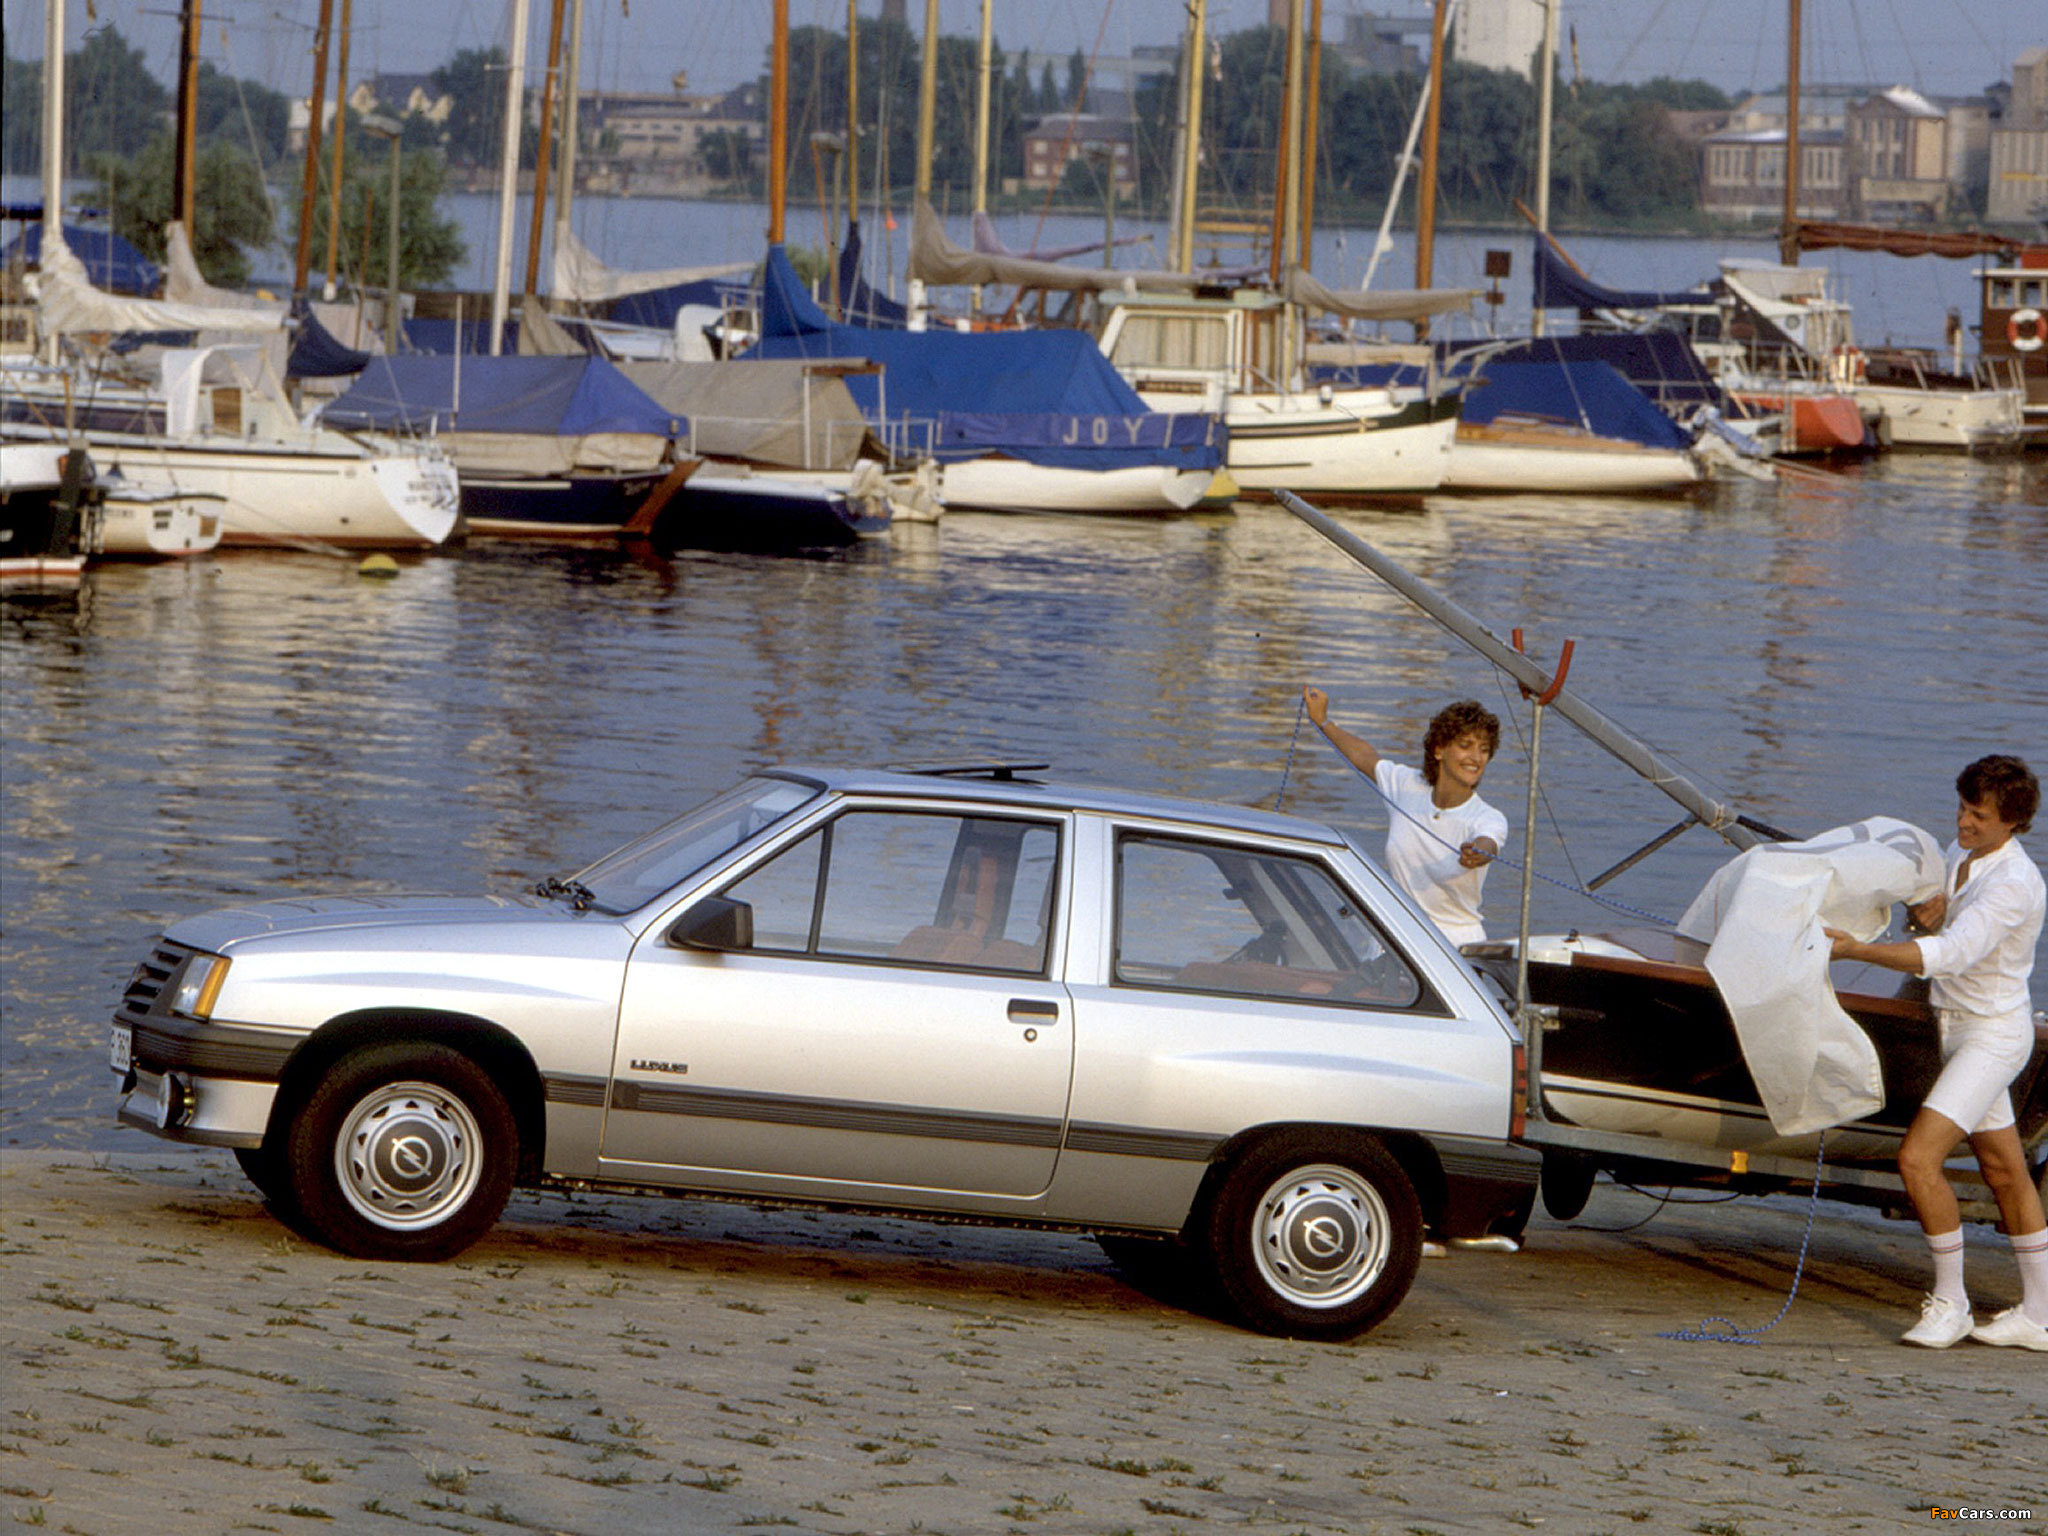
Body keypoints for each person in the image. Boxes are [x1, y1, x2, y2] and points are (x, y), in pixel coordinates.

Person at [1826, 754, 2048, 1351]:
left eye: (1979, 816)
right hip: (1956, 1030)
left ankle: (1951, 1305)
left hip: (1994, 1036)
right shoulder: (1960, 855)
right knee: (2004, 1170)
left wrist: (1854, 950)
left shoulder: (2016, 885)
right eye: (1963, 808)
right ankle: (2041, 1315)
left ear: (2013, 823)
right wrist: (1931, 911)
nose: (1964, 822)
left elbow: (1950, 956)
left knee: (1918, 1160)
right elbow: (1943, 927)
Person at [1303, 687, 1507, 947]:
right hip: (1398, 937)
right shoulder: (1408, 786)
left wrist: (1479, 852)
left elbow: (1489, 842)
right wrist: (1323, 721)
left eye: (1484, 750)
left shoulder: (1488, 818)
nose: (1476, 758)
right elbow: (1365, 757)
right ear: (1439, 750)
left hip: (1455, 946)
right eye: (1465, 746)